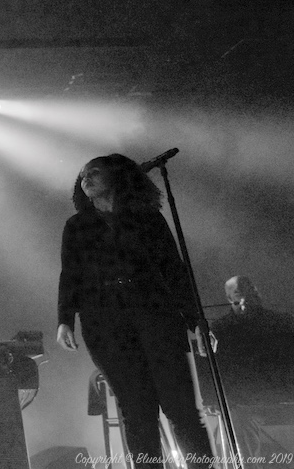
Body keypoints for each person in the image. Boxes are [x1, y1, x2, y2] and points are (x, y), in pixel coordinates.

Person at [56, 154, 214, 469]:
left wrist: (196, 320)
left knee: (180, 408)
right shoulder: (76, 226)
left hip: (155, 316)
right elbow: (69, 274)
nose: (86, 177)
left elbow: (174, 271)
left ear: (117, 176)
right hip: (105, 325)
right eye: (84, 173)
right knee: (137, 413)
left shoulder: (148, 219)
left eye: (95, 172)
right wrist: (64, 320)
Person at [206, 276, 294, 458]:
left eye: (251, 289)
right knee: (238, 417)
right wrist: (214, 398)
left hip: (282, 393)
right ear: (230, 298)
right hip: (245, 401)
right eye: (239, 291)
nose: (249, 294)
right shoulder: (221, 328)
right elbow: (216, 368)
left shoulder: (281, 322)